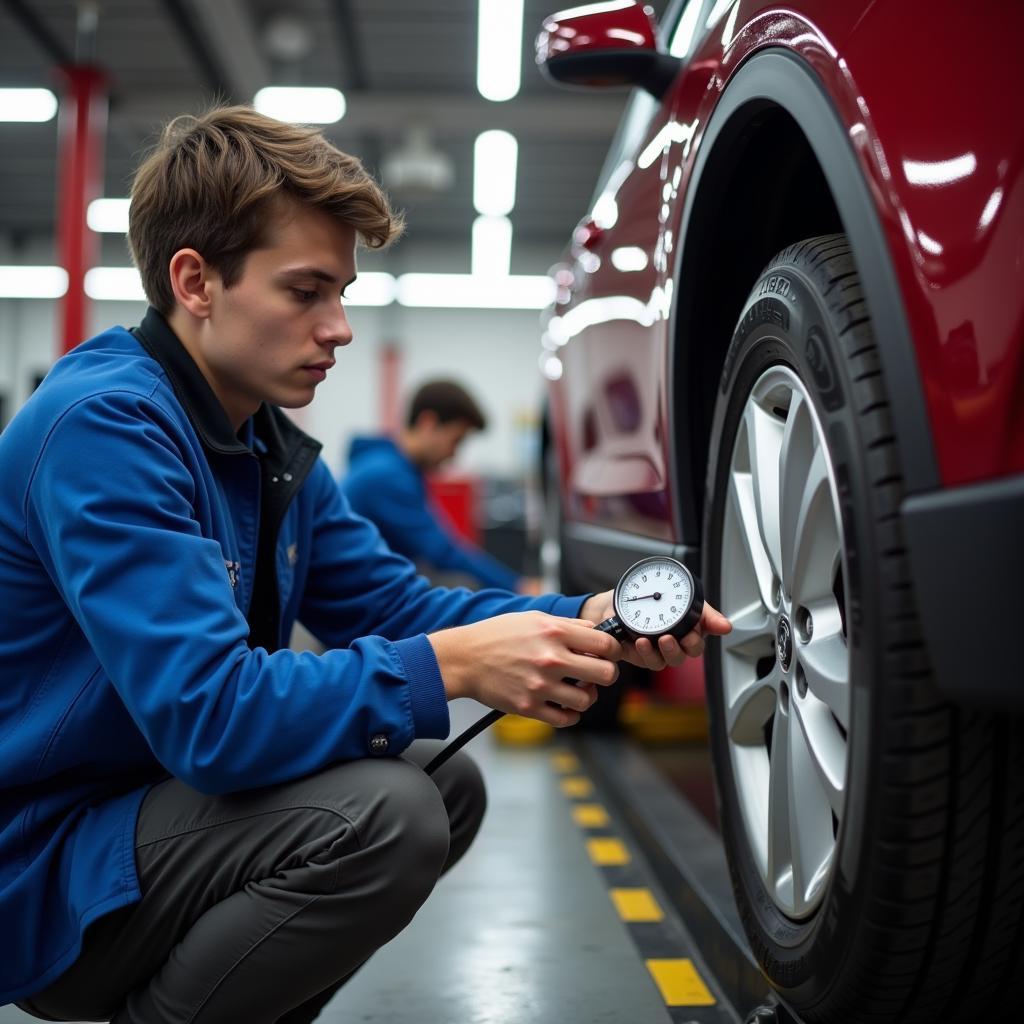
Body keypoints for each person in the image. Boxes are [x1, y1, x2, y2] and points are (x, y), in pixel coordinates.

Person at [0, 106, 731, 1024]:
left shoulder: (266, 445)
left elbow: (395, 603)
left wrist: (579, 619)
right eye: (306, 292)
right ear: (195, 280)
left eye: (341, 291)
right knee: (389, 814)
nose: (339, 327)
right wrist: (459, 667)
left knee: (442, 781)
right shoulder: (104, 429)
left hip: (146, 823)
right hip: (45, 866)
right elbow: (210, 717)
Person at [343, 379, 540, 593]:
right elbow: (442, 553)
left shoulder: (392, 467)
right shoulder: (386, 476)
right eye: (456, 440)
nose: (454, 455)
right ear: (428, 423)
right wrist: (519, 586)